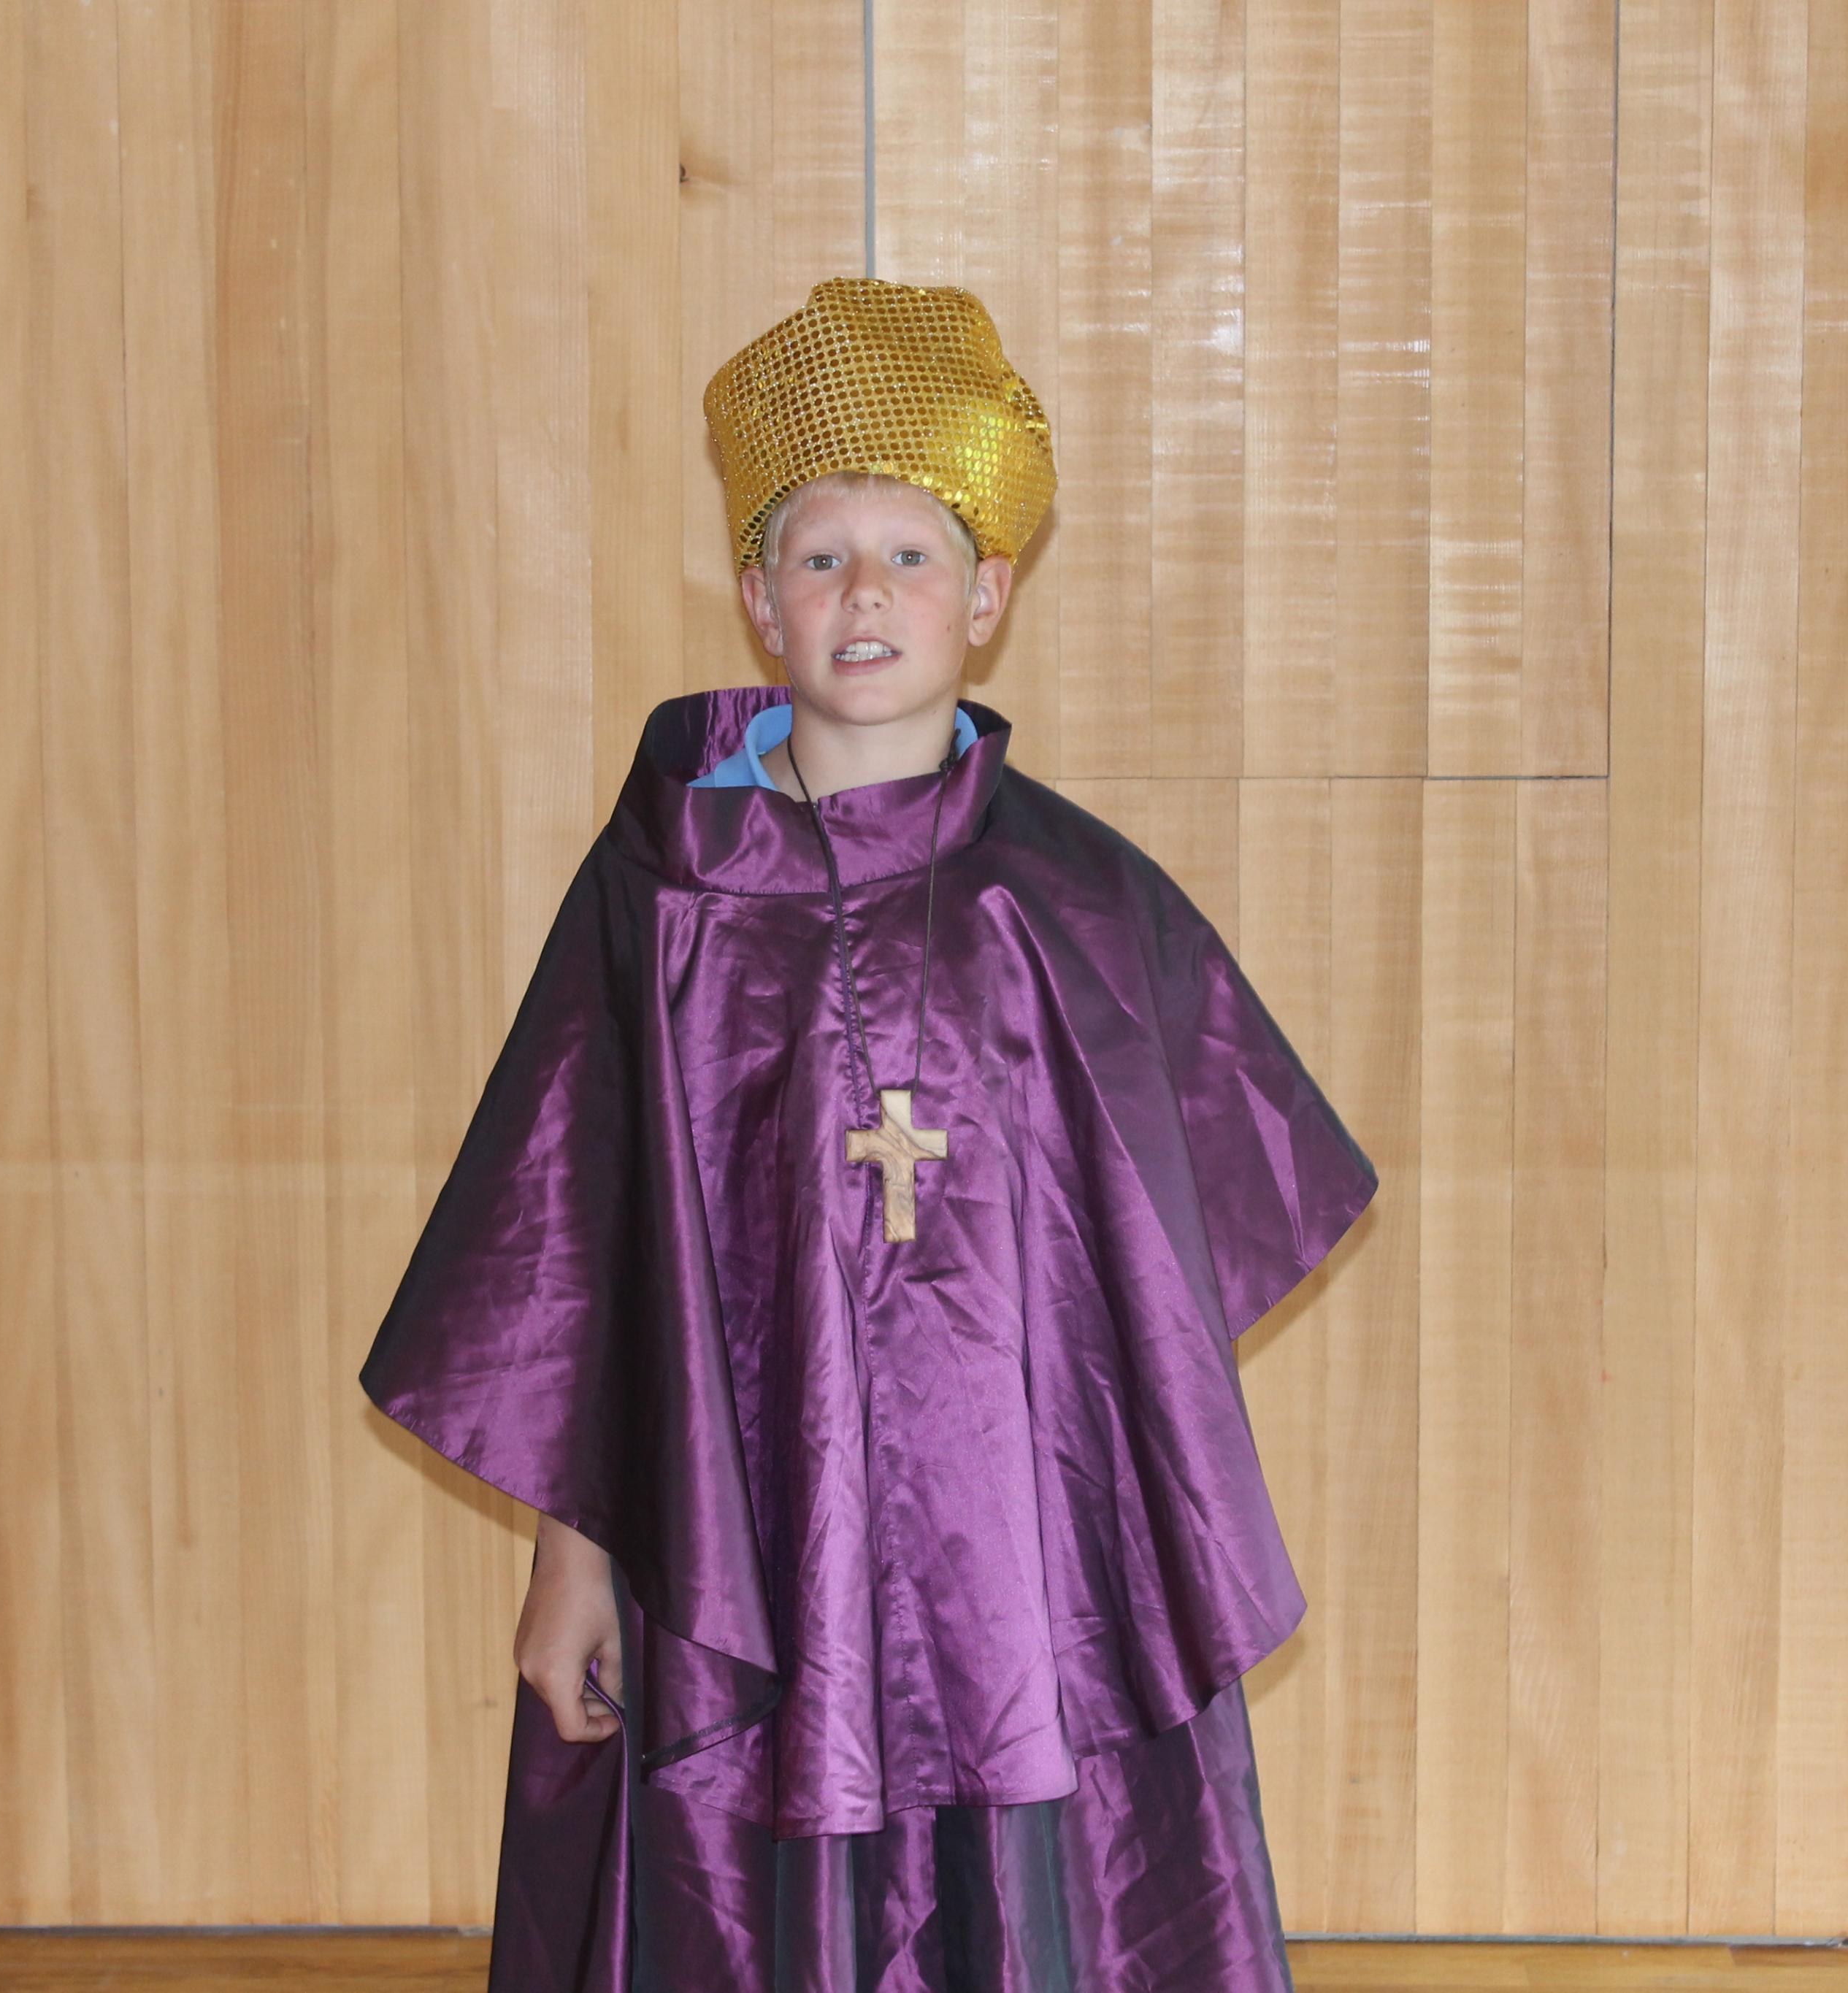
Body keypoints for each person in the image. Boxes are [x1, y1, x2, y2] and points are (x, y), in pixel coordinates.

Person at [357, 277, 1377, 1992]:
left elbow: (1153, 1289)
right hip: (736, 1555)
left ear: (986, 595)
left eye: (908, 555)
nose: (862, 595)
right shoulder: (662, 906)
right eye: (817, 556)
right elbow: (586, 1285)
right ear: (758, 600)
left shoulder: (1072, 906)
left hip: (1025, 1568)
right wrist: (572, 1566)